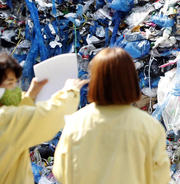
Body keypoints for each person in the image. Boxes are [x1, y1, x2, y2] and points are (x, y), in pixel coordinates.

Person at [53, 47, 170, 184]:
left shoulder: (76, 123)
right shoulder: (149, 126)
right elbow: (160, 177)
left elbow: (62, 173)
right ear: (130, 81)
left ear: (95, 82)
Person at [0, 51, 88, 184]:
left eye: (15, 84)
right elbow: (47, 117)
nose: (15, 89)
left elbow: (12, 111)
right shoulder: (1, 120)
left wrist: (30, 95)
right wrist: (70, 92)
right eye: (9, 84)